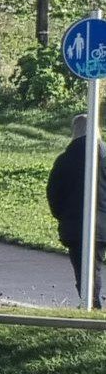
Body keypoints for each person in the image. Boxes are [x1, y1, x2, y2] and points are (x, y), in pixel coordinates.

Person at [47, 114, 106, 308]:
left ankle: (91, 307)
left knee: (86, 270)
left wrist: (63, 216)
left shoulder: (64, 160)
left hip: (77, 225)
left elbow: (55, 194)